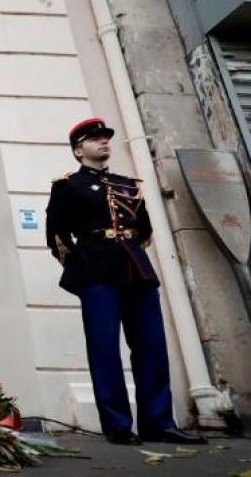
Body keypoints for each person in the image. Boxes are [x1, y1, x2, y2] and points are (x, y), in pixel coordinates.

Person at [45, 117, 205, 446]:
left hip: (136, 268)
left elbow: (143, 231)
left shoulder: (129, 185)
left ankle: (158, 422)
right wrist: (83, 264)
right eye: (95, 139)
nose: (104, 142)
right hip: (96, 272)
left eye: (106, 138)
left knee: (151, 346)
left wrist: (126, 248)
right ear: (79, 150)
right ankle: (117, 425)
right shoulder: (67, 186)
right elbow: (57, 236)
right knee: (104, 349)